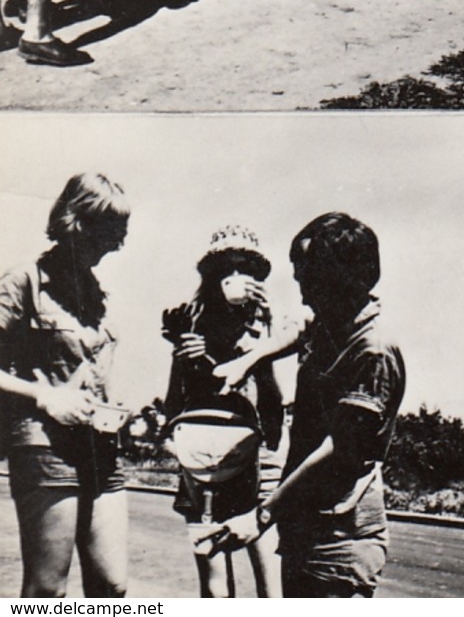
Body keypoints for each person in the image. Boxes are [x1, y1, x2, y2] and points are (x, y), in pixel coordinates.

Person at [205, 213, 406, 598]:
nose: (301, 290)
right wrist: (248, 360)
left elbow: (339, 450)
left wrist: (262, 515)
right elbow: (298, 327)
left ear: (340, 278)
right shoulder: (333, 323)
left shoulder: (373, 350)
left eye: (308, 278)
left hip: (339, 539)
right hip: (305, 527)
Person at [0, 173, 131, 597]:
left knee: (112, 586)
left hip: (101, 446)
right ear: (77, 222)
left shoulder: (98, 294)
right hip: (44, 446)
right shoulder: (24, 282)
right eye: (108, 232)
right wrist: (44, 394)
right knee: (48, 592)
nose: (116, 245)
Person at [160, 226, 285, 598]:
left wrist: (260, 352)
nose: (236, 277)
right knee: (215, 582)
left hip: (258, 455)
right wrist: (189, 361)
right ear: (211, 277)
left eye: (246, 269)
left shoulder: (264, 328)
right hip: (205, 456)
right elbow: (172, 405)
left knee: (270, 579)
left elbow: (274, 416)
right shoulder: (191, 326)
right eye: (227, 269)